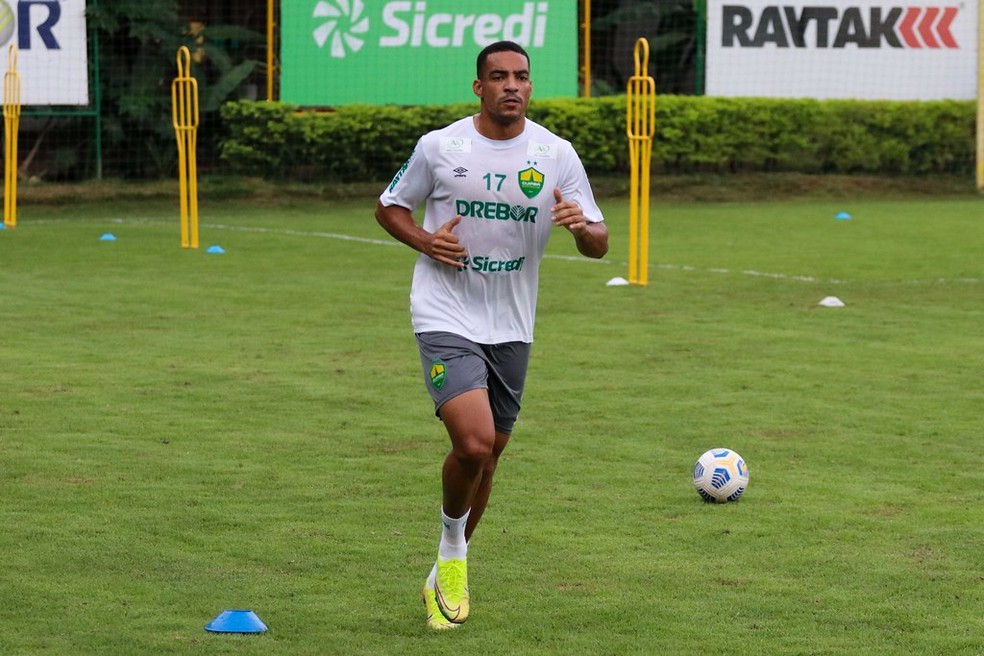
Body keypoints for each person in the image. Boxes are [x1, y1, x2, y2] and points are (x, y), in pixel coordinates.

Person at [375, 40, 608, 630]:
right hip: (444, 311)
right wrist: (427, 241)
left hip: (511, 322)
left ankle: (445, 565)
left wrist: (581, 229)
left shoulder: (555, 154)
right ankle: (453, 552)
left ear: (530, 86)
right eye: (499, 76)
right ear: (479, 87)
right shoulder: (441, 147)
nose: (512, 85)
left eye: (521, 76)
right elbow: (390, 207)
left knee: (491, 454)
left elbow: (599, 242)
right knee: (475, 443)